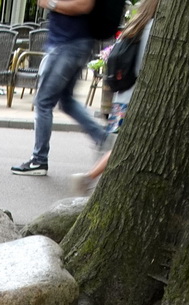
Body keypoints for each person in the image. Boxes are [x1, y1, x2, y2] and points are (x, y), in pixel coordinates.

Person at [11, 0, 108, 176]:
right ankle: (102, 138)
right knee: (66, 101)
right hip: (71, 44)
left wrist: (52, 4)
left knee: (43, 102)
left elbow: (84, 5)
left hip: (68, 45)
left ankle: (39, 160)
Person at [70, 0, 158, 193]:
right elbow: (142, 67)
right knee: (125, 146)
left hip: (121, 97)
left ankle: (94, 179)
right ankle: (90, 177)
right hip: (135, 98)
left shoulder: (134, 26)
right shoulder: (153, 29)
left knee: (122, 143)